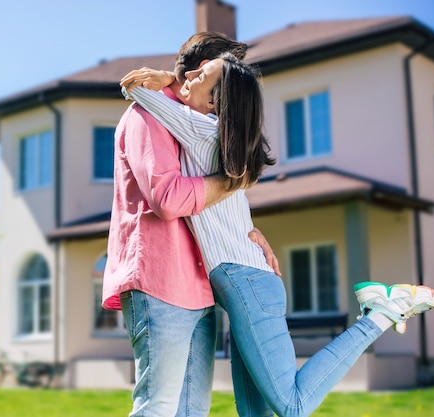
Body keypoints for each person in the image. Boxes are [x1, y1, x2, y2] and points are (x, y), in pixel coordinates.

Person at [120, 54, 434, 417]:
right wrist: (185, 80)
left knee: (293, 404)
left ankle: (380, 314)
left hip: (247, 284)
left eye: (200, 76)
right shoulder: (220, 137)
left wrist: (167, 77)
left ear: (214, 103)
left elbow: (133, 88)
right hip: (245, 284)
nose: (188, 77)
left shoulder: (201, 130)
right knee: (254, 413)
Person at [102, 32, 280, 417]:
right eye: (222, 79)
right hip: (160, 283)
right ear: (200, 73)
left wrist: (251, 236)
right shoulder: (147, 114)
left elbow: (220, 205)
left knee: (191, 411)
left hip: (201, 290)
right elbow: (167, 199)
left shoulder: (200, 125)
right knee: (159, 407)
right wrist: (235, 180)